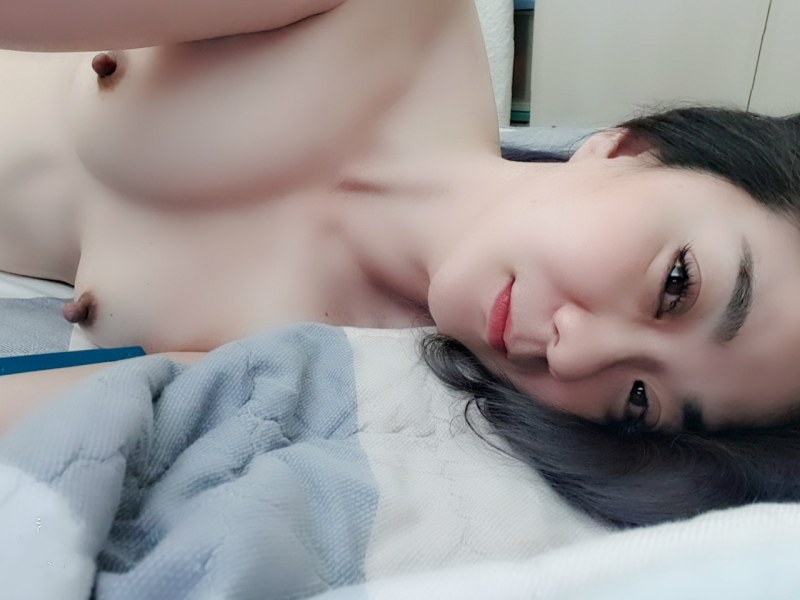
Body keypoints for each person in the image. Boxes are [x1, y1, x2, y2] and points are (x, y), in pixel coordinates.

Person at [1, 0, 799, 526]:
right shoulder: (391, 15)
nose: (575, 355)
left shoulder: (341, 372)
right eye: (675, 286)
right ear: (630, 149)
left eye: (638, 401)